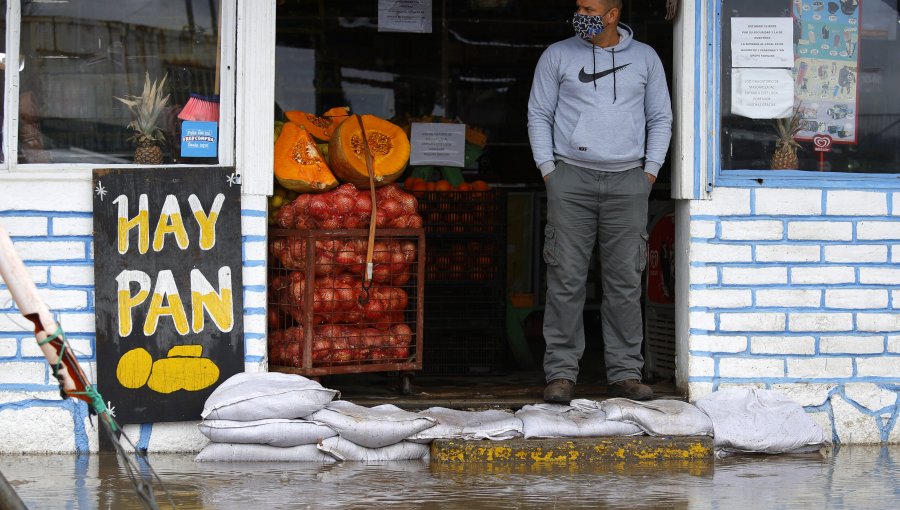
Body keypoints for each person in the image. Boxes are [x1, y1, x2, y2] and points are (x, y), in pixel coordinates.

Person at [527, 0, 672, 402]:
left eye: (588, 7)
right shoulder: (557, 55)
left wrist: (650, 172)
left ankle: (626, 372)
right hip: (570, 178)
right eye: (577, 6)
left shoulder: (645, 58)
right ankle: (560, 373)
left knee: (625, 281)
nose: (579, 13)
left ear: (612, 14)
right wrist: (549, 172)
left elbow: (661, 116)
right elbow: (539, 113)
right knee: (565, 279)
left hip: (628, 180)